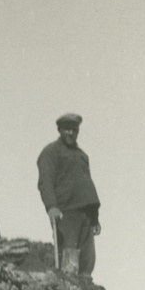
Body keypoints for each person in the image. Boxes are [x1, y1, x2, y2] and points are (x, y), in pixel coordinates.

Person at [37, 114, 101, 277]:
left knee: (87, 262)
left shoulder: (82, 156)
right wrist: (51, 206)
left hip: (85, 216)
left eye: (74, 130)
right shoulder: (50, 152)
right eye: (67, 129)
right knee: (69, 261)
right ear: (59, 130)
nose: (71, 133)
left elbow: (87, 186)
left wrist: (94, 218)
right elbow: (45, 181)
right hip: (66, 214)